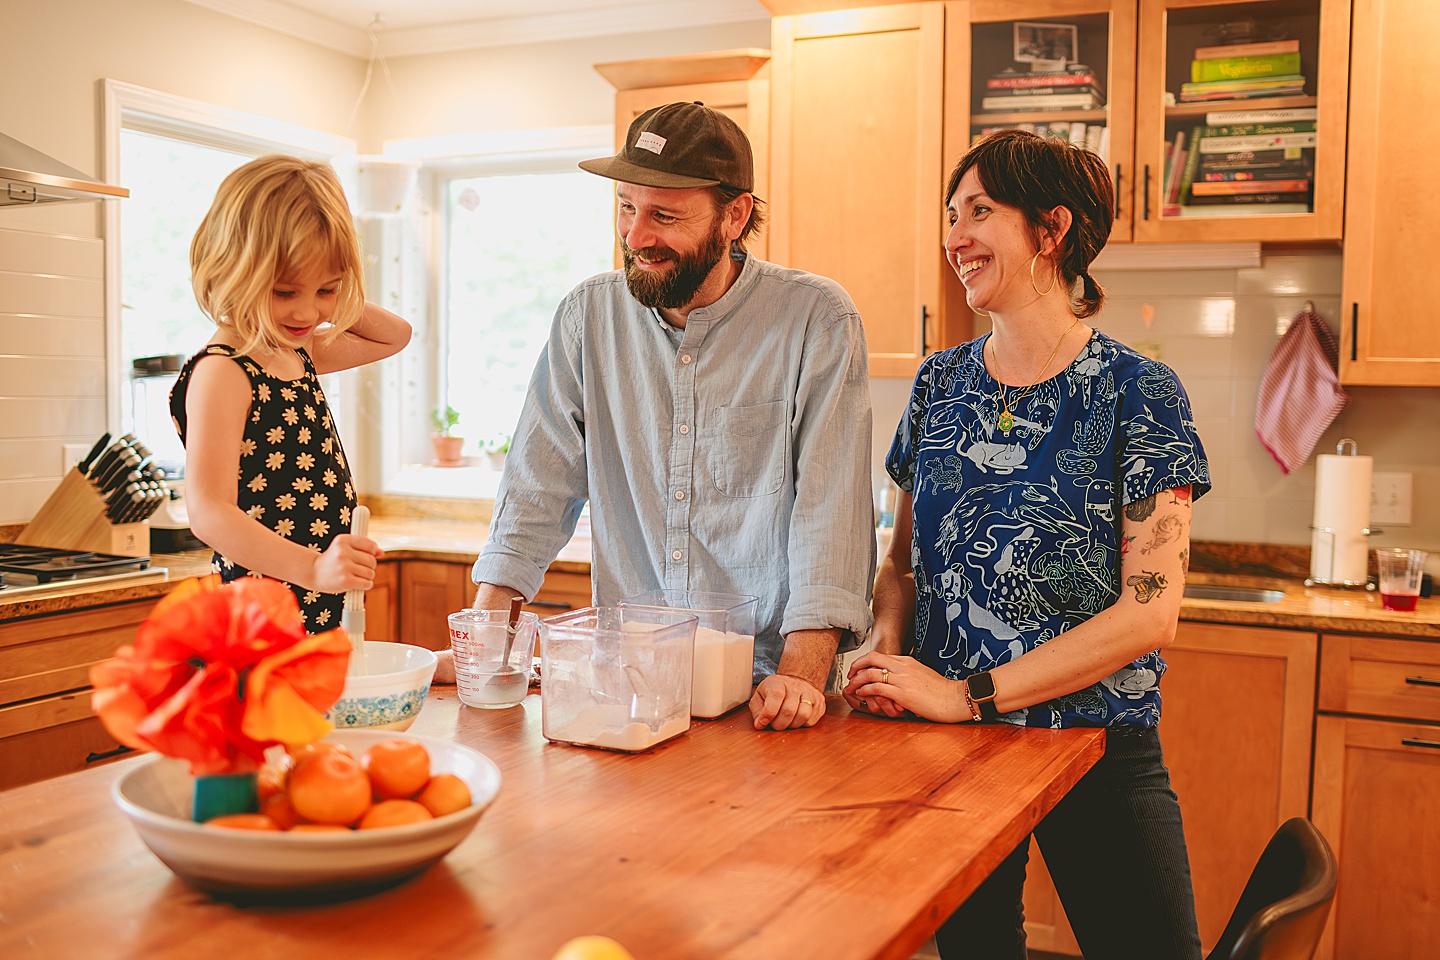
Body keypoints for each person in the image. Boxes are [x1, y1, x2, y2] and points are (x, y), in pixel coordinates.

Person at [844, 130, 1209, 958]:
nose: (954, 236)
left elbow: (1150, 614)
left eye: (980, 212)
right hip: (949, 749)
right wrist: (890, 640)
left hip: (1092, 743)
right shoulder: (941, 382)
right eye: (950, 214)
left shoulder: (1138, 392)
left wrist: (966, 692)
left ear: (1051, 231)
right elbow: (900, 560)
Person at [438, 101, 876, 731]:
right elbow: (536, 488)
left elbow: (830, 512)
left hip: (769, 692)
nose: (637, 236)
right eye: (626, 207)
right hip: (631, 686)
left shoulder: (815, 319)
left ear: (735, 215)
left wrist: (801, 678)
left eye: (664, 216)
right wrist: (484, 640)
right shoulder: (588, 317)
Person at [171, 155, 412, 633]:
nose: (308, 311)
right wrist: (313, 568)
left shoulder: (293, 351)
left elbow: (396, 335)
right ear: (232, 269)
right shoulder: (225, 370)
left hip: (319, 606)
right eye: (285, 292)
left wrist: (331, 283)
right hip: (262, 616)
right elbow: (207, 511)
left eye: (326, 290)